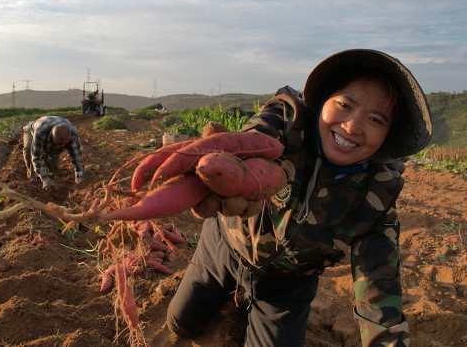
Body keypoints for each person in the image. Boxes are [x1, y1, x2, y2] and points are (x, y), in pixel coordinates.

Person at [166, 49, 433, 347]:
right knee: (181, 324)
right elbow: (259, 136)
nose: (352, 126)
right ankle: (227, 298)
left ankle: (254, 310)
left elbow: (379, 288)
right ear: (323, 101)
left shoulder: (377, 195)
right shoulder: (285, 121)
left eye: (375, 119)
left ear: (388, 135)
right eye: (345, 104)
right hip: (224, 248)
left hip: (287, 288)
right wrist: (233, 163)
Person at [22, 116, 85, 190]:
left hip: (50, 136)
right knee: (28, 148)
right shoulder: (41, 132)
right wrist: (45, 179)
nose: (60, 146)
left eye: (63, 145)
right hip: (31, 131)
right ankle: (32, 176)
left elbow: (77, 157)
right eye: (58, 143)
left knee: (54, 170)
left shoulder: (72, 134)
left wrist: (79, 178)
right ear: (52, 136)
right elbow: (36, 157)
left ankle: (47, 160)